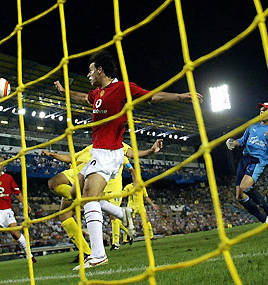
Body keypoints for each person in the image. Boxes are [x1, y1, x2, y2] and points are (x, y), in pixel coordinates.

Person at [54, 49, 202, 270]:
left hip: (109, 152)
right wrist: (65, 92)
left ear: (100, 69)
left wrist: (180, 97)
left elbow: (151, 96)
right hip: (97, 152)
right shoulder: (97, 93)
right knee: (76, 193)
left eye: (91, 70)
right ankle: (120, 212)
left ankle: (98, 254)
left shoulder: (122, 88)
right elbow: (84, 97)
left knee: (88, 199)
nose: (88, 74)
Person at [41, 139, 163, 260]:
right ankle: (87, 249)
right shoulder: (90, 147)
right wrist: (52, 154)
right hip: (77, 173)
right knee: (62, 204)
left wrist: (150, 151)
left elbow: (131, 156)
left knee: (68, 209)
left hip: (95, 179)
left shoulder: (115, 143)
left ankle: (108, 244)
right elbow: (70, 158)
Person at [226, 102, 268, 228]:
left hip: (258, 160)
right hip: (244, 160)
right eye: (261, 110)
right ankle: (265, 221)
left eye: (265, 110)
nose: (262, 112)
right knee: (239, 195)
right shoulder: (252, 127)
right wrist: (233, 142)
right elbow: (242, 141)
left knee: (245, 186)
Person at [0, 156, 36, 267]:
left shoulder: (8, 178)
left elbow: (17, 192)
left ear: (3, 165)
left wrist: (25, 204)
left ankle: (30, 255)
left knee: (15, 233)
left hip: (6, 211)